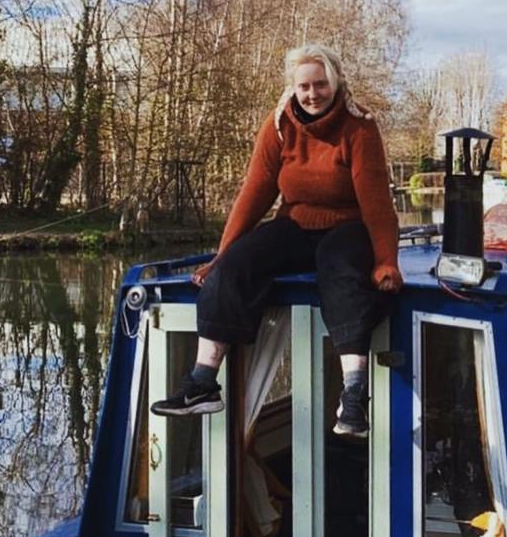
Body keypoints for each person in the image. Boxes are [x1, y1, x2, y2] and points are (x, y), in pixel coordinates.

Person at [150, 43, 402, 438]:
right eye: (304, 86)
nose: (312, 94)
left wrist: (386, 260)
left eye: (320, 84)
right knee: (237, 264)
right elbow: (255, 191)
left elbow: (377, 203)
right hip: (296, 222)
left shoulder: (359, 127)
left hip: (347, 225)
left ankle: (354, 395)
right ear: (293, 88)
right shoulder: (279, 124)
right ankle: (202, 383)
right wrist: (221, 254)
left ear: (335, 84)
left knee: (342, 272)